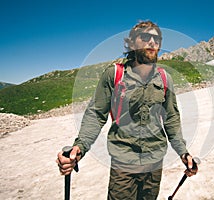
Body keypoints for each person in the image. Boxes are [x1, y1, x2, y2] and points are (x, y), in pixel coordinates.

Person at [56, 20, 197, 200]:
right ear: (131, 43)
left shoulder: (164, 78)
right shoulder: (114, 75)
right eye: (145, 37)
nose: (152, 42)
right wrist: (80, 147)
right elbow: (96, 114)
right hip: (123, 163)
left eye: (157, 38)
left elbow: (171, 119)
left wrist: (183, 153)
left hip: (154, 163)